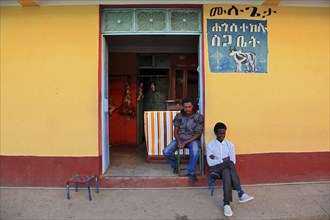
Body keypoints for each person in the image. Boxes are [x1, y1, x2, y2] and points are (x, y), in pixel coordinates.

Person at [207, 122, 254, 217]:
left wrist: (217, 159)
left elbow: (233, 161)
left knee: (226, 171)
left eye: (223, 133)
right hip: (215, 170)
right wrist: (223, 159)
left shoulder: (230, 145)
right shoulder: (210, 145)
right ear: (215, 133)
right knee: (228, 163)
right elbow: (210, 163)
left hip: (226, 170)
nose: (222, 135)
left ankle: (226, 204)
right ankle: (240, 192)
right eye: (220, 133)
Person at [163, 97, 204, 184]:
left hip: (192, 140)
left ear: (192, 106)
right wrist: (179, 141)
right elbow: (176, 131)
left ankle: (191, 172)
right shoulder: (178, 116)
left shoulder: (198, 117)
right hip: (180, 139)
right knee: (166, 151)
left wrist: (185, 142)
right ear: (182, 107)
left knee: (196, 150)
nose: (188, 109)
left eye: (189, 107)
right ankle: (175, 164)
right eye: (185, 107)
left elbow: (198, 134)